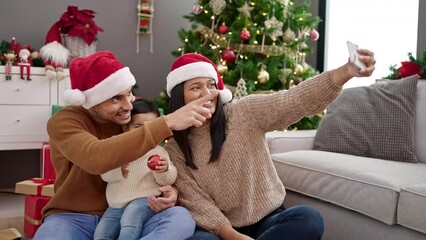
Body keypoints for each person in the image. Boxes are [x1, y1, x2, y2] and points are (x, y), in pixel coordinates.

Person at [164, 50, 376, 240]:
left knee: (309, 219)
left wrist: (345, 72)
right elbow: (197, 203)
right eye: (195, 87)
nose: (207, 93)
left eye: (211, 85)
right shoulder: (174, 149)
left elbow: (295, 100)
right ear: (179, 96)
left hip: (269, 219)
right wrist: (232, 236)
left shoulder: (244, 113)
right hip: (222, 231)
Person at [34, 51, 217, 240]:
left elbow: (157, 161)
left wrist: (172, 192)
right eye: (116, 98)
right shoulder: (64, 122)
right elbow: (95, 157)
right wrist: (166, 122)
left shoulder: (128, 117)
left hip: (133, 214)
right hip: (74, 218)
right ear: (92, 100)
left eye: (129, 93)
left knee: (181, 220)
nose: (129, 105)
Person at [94, 98, 193, 240]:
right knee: (102, 233)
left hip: (144, 200)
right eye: (138, 128)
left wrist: (164, 170)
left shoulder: (157, 151)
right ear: (125, 128)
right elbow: (104, 174)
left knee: (130, 220)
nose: (145, 134)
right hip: (116, 204)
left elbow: (169, 180)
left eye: (151, 128)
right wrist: (119, 169)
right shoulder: (117, 148)